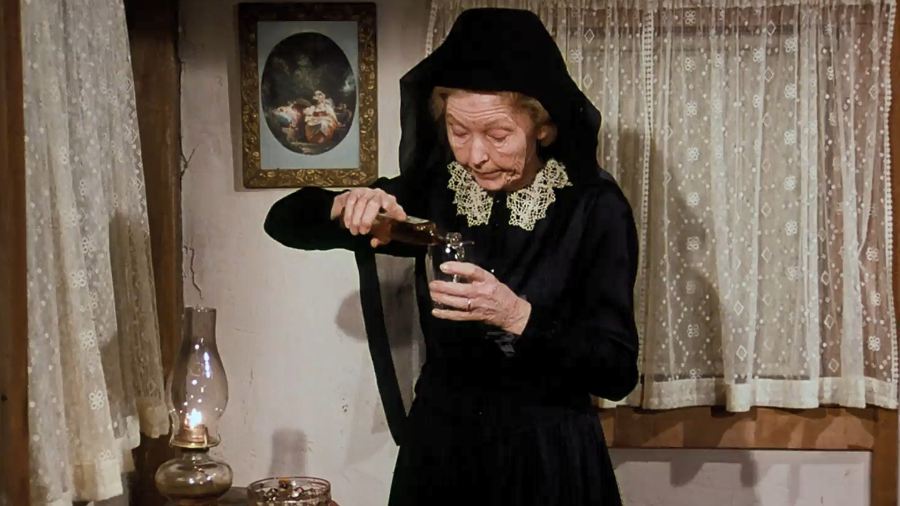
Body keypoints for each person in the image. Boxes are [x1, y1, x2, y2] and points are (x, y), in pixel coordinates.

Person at [264, 8, 638, 506]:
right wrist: (345, 204)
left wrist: (517, 316)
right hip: (441, 453)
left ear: (543, 127)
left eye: (498, 135)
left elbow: (616, 371)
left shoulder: (594, 207)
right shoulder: (435, 192)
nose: (474, 155)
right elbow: (284, 221)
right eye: (459, 132)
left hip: (548, 457)